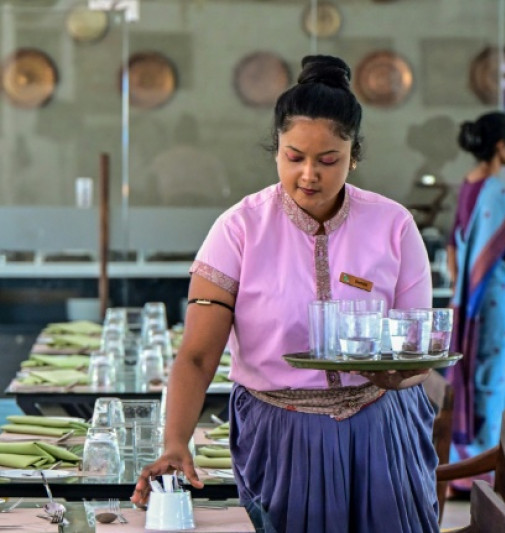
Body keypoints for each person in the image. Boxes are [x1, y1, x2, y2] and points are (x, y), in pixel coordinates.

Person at [130, 55, 439, 533]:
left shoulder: (394, 226)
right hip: (281, 430)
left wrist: (403, 374)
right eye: (294, 157)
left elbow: (415, 347)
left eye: (328, 160)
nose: (309, 175)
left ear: (354, 155)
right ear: (276, 150)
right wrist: (175, 443)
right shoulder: (239, 229)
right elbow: (197, 356)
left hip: (381, 423)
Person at [446, 112, 505, 482]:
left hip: (468, 297)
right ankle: (485, 466)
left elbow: (453, 245)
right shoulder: (496, 193)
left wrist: (461, 289)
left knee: (472, 373)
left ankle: (466, 463)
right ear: (500, 145)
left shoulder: (468, 185)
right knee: (493, 378)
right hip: (493, 295)